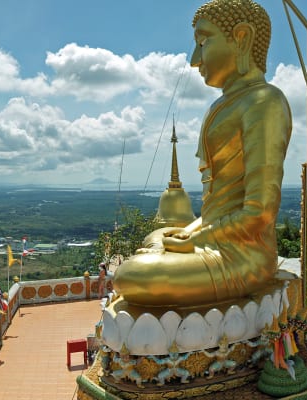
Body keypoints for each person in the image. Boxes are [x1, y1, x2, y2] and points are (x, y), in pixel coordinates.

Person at [113, 0, 291, 307]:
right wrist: (189, 235)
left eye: (203, 42)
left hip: (245, 253)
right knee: (158, 237)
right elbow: (212, 215)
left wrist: (197, 239)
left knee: (132, 276)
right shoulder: (221, 105)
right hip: (213, 235)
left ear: (242, 38)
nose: (195, 60)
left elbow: (259, 212)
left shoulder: (265, 101)